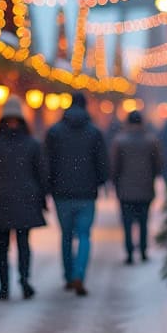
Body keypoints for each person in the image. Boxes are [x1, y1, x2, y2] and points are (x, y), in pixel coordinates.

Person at [0, 96, 48, 301]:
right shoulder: (32, 144)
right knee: (23, 244)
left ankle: (4, 287)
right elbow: (42, 174)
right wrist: (41, 197)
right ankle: (24, 281)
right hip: (26, 200)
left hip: (0, 200)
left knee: (2, 246)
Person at [44, 90, 109, 297]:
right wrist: (99, 181)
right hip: (86, 193)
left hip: (62, 193)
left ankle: (69, 276)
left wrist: (48, 187)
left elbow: (47, 163)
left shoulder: (54, 132)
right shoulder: (94, 132)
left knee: (66, 236)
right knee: (84, 235)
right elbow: (103, 164)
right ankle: (80, 273)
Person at [111, 109, 163, 263]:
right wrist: (151, 177)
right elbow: (158, 165)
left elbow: (115, 167)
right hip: (145, 188)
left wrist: (116, 183)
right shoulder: (151, 141)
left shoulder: (119, 141)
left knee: (127, 223)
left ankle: (129, 252)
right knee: (143, 221)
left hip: (125, 189)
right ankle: (143, 250)